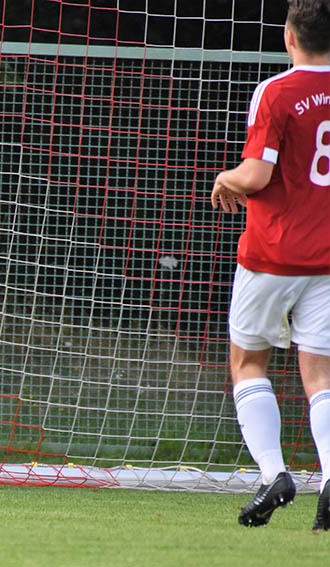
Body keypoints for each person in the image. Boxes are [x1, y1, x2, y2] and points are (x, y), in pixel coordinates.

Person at [211, 0, 330, 529]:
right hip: (327, 258)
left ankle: (273, 475)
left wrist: (226, 179)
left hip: (273, 253)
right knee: (321, 375)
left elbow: (257, 175)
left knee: (247, 363)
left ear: (290, 36)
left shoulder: (278, 91)